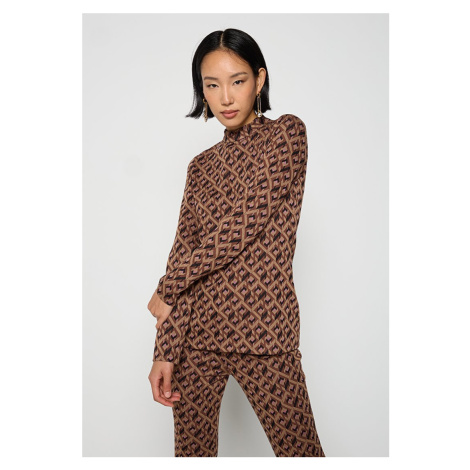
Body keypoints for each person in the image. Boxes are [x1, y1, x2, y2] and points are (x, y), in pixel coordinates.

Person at [147, 28, 325, 457]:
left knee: (302, 455)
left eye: (237, 81)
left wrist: (167, 286)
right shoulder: (200, 167)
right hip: (196, 343)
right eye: (212, 85)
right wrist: (165, 351)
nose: (225, 97)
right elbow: (183, 250)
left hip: (265, 336)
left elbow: (243, 224)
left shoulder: (286, 134)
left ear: (259, 80)